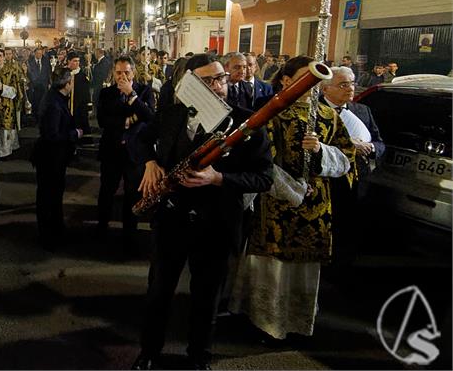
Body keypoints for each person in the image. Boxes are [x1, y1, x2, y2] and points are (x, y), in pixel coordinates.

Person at [132, 54, 273, 370]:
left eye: (221, 78)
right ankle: (149, 353)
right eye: (207, 81)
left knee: (206, 299)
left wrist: (219, 178)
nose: (218, 87)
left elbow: (265, 177)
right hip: (171, 219)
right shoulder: (171, 114)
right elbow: (139, 140)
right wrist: (149, 162)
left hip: (217, 225)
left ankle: (198, 358)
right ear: (188, 85)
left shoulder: (247, 123)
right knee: (158, 293)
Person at [231, 56, 354, 341]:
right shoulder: (270, 113)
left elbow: (347, 156)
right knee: (273, 265)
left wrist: (322, 151)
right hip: (278, 199)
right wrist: (293, 189)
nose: (311, 84)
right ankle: (265, 321)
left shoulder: (328, 116)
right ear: (286, 80)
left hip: (316, 203)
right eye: (304, 76)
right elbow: (261, 162)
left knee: (303, 268)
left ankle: (297, 321)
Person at [321, 66, 385, 266]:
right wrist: (349, 146)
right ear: (325, 89)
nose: (350, 89)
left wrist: (371, 147)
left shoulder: (362, 110)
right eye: (343, 84)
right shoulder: (315, 110)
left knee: (351, 227)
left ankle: (346, 263)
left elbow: (380, 142)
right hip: (328, 181)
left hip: (358, 179)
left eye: (352, 83)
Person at [96, 56, 155, 247]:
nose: (123, 76)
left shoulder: (145, 91)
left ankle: (130, 235)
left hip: (135, 151)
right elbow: (103, 120)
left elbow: (149, 117)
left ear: (134, 72)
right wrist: (128, 120)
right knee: (107, 191)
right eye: (119, 72)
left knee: (132, 195)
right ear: (113, 73)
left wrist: (131, 95)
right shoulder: (106, 93)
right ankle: (101, 229)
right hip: (111, 150)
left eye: (127, 72)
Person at [33, 68, 83, 250]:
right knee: (49, 194)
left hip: (55, 157)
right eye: (71, 81)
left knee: (53, 193)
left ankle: (54, 227)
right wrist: (74, 134)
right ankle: (48, 233)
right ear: (66, 83)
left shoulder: (55, 98)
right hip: (50, 157)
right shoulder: (54, 103)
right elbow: (53, 134)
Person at [65, 51, 91, 134]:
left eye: (78, 61)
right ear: (69, 61)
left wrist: (88, 106)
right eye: (75, 61)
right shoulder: (63, 74)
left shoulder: (82, 76)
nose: (77, 63)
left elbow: (87, 93)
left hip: (79, 107)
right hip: (65, 106)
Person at [27, 47, 52, 116]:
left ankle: (42, 118)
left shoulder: (46, 61)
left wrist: (50, 83)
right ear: (34, 53)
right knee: (35, 103)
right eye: (37, 53)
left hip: (44, 86)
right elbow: (29, 74)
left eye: (40, 54)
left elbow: (49, 73)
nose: (39, 55)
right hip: (34, 86)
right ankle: (35, 118)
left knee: (43, 103)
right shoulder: (29, 61)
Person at [91, 47, 113, 112]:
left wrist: (94, 68)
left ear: (100, 53)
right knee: (96, 99)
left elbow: (102, 74)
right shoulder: (101, 61)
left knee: (97, 99)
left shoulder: (104, 62)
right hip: (98, 84)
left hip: (100, 84)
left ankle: (97, 114)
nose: (94, 54)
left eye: (95, 52)